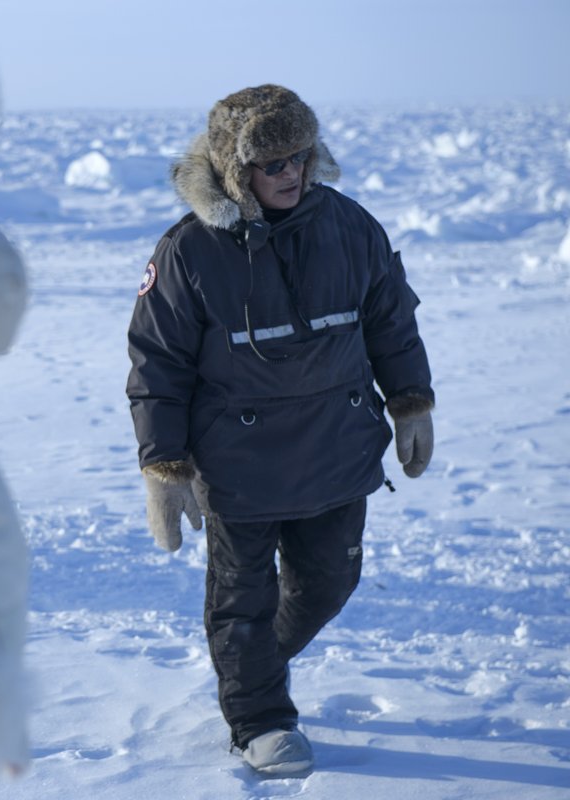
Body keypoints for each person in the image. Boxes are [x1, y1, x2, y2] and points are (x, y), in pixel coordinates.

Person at [126, 85, 434, 775]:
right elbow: (157, 366)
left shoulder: (351, 227)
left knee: (330, 583)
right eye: (272, 164)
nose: (291, 172)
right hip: (237, 463)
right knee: (242, 602)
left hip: (336, 448)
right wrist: (164, 467)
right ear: (236, 171)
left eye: (299, 156)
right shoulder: (188, 252)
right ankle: (259, 717)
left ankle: (254, 667)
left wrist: (411, 402)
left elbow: (391, 320)